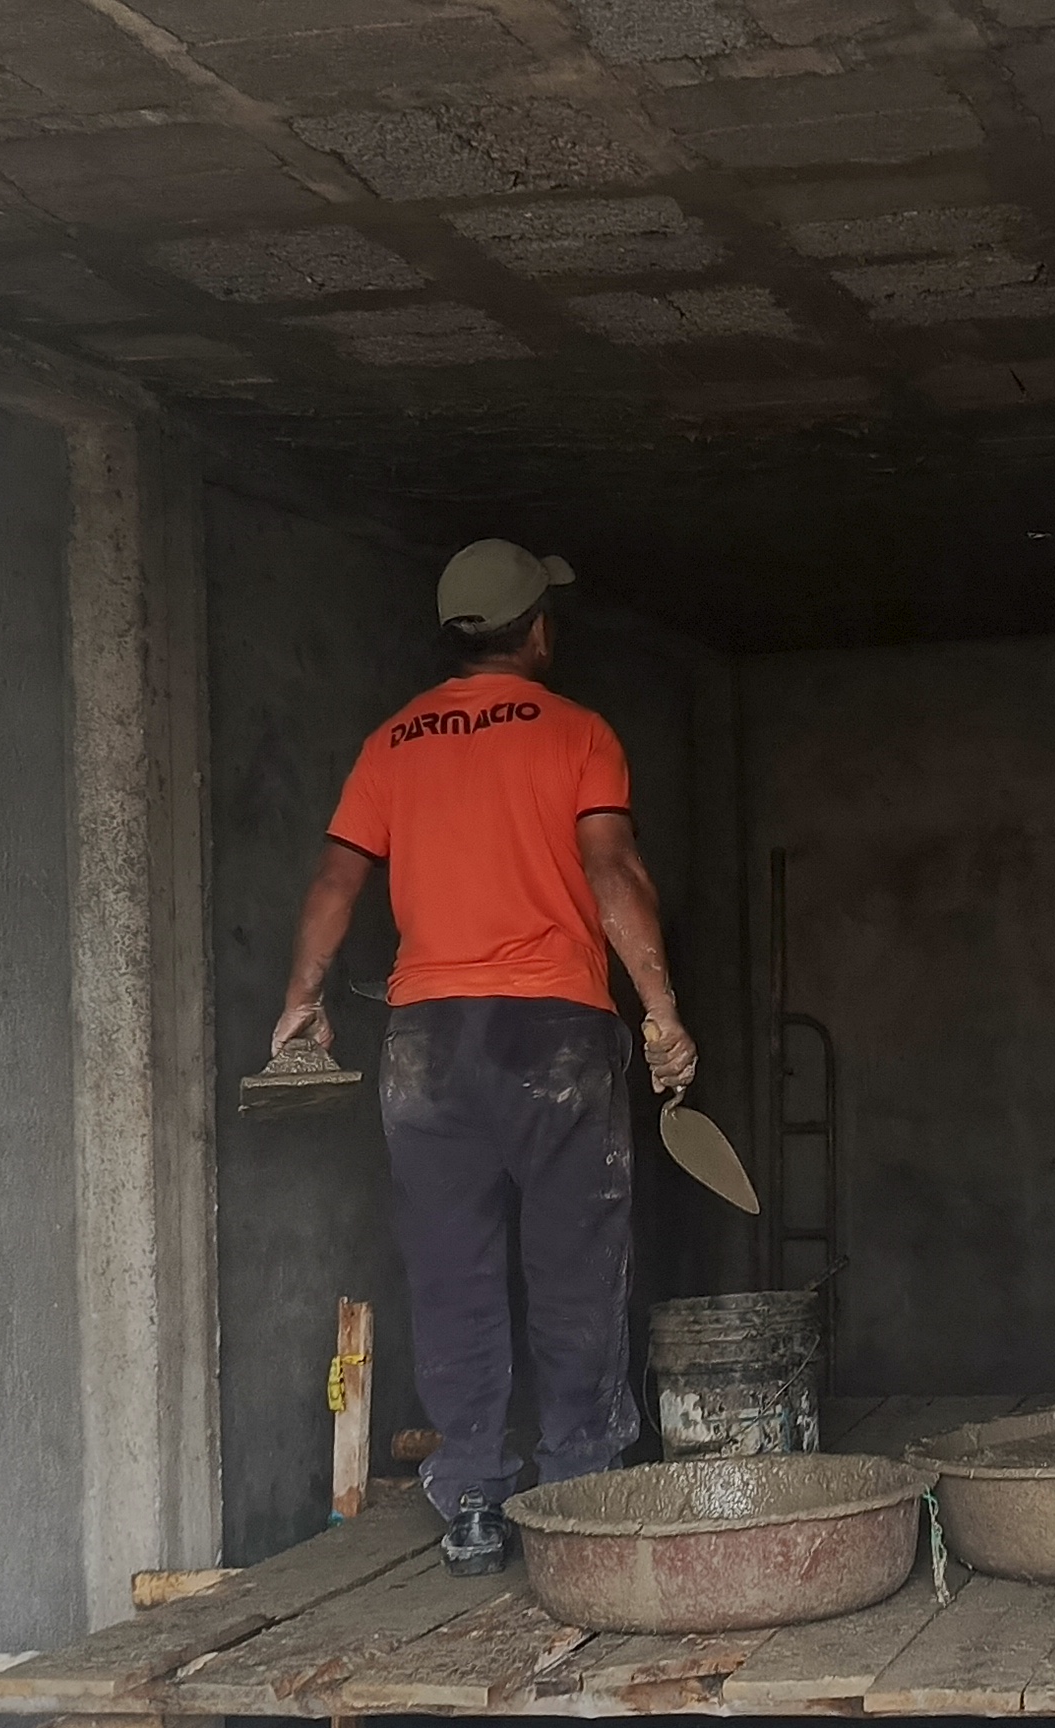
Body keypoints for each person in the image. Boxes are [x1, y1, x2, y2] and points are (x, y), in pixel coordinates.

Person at [271, 538, 700, 1575]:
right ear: (538, 630)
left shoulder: (393, 743)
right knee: (575, 1262)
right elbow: (611, 869)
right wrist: (661, 1011)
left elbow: (335, 880)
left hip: (425, 1042)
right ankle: (579, 1486)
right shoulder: (578, 734)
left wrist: (300, 1003)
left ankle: (472, 1498)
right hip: (553, 1031)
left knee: (450, 1267)